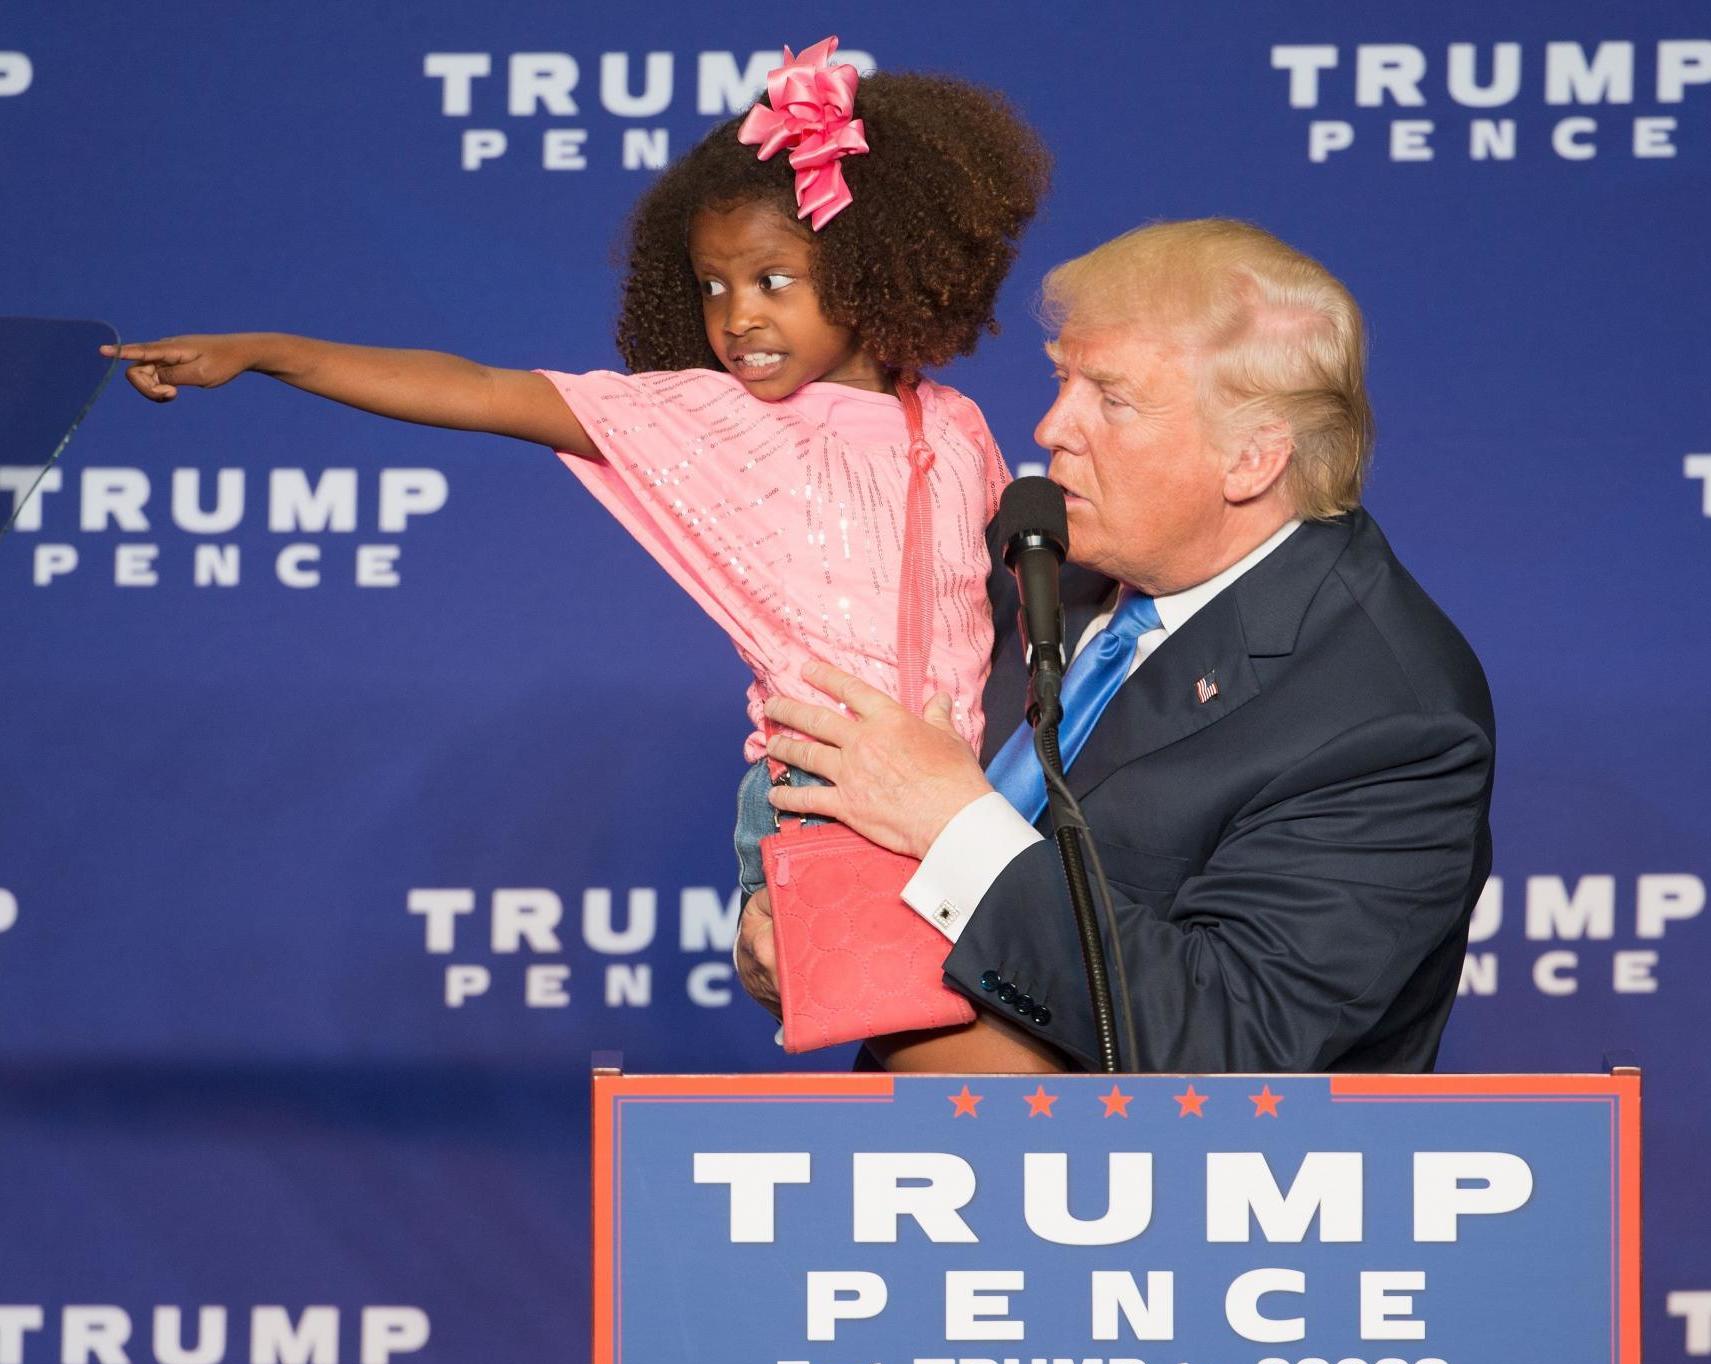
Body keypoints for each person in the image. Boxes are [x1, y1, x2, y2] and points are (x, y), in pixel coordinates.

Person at [100, 39, 1051, 896]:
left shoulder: (952, 423)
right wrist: (270, 349)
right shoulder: (714, 419)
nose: (738, 317)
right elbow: (475, 387)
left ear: (867, 263)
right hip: (821, 799)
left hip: (955, 793)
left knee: (965, 1068)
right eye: (711, 286)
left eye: (772, 280)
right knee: (937, 1061)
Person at [740, 218, 1496, 1075]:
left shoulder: (1385, 712)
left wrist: (953, 822)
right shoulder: (1024, 563)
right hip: (924, 1174)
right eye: (1062, 379)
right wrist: (800, 938)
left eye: (1111, 398)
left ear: (1251, 460)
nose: (1053, 426)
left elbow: (1231, 1037)